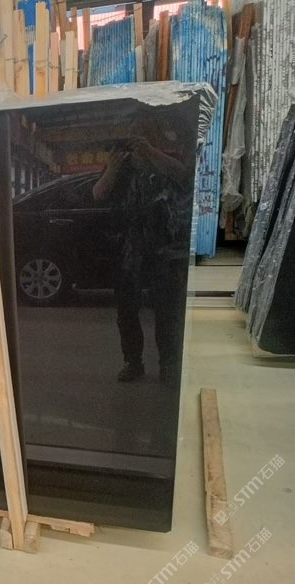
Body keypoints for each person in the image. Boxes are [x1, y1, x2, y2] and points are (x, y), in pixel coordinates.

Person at [92, 115, 195, 385]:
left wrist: (150, 152)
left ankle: (168, 365)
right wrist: (112, 167)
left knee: (166, 310)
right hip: (128, 250)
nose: (134, 140)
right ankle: (133, 363)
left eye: (140, 135)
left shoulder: (163, 159)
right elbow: (98, 193)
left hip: (164, 248)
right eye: (131, 136)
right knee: (126, 310)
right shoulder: (121, 166)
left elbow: (183, 175)